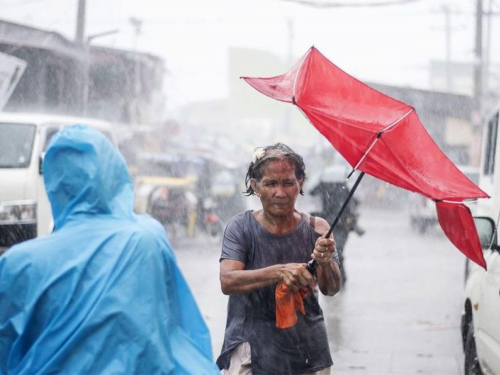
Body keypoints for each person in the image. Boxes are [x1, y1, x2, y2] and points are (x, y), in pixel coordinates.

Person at [0, 125, 219, 374]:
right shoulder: (146, 240)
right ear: (114, 175)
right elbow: (182, 327)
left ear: (53, 184)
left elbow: (6, 350)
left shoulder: (18, 264)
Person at [217, 143, 342, 375]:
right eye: (271, 183)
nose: (280, 192)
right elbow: (228, 281)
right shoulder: (240, 228)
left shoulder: (318, 229)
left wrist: (325, 263)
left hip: (307, 349)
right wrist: (279, 272)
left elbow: (332, 288)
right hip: (251, 345)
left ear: (300, 184)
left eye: (288, 183)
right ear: (255, 186)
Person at [310, 179, 364, 284]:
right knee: (330, 250)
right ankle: (334, 276)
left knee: (337, 250)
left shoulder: (347, 185)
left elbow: (356, 201)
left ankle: (340, 277)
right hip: (329, 223)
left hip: (342, 224)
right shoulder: (324, 183)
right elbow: (312, 193)